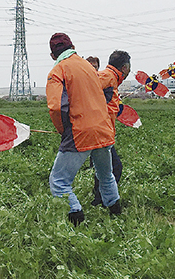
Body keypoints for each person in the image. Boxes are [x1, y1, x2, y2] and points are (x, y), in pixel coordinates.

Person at [46, 33, 120, 226]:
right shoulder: (88, 66)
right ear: (73, 47)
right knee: (106, 175)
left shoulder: (58, 71)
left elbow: (55, 107)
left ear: (53, 55)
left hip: (80, 132)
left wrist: (64, 131)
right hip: (103, 130)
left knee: (59, 181)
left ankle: (76, 219)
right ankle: (116, 213)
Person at [92, 50, 131, 206]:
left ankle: (99, 200)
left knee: (105, 168)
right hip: (99, 131)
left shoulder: (111, 78)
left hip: (102, 131)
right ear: (124, 67)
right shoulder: (107, 77)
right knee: (113, 168)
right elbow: (89, 94)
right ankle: (103, 201)